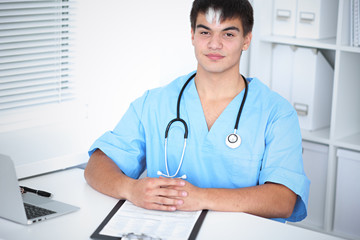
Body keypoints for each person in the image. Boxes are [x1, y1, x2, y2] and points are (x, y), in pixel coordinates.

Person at [84, 0, 310, 223]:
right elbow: (97, 166)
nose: (214, 44)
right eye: (205, 32)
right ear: (192, 35)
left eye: (228, 34)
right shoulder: (155, 103)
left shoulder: (276, 113)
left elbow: (283, 200)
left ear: (246, 40)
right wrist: (131, 189)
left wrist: (200, 197)